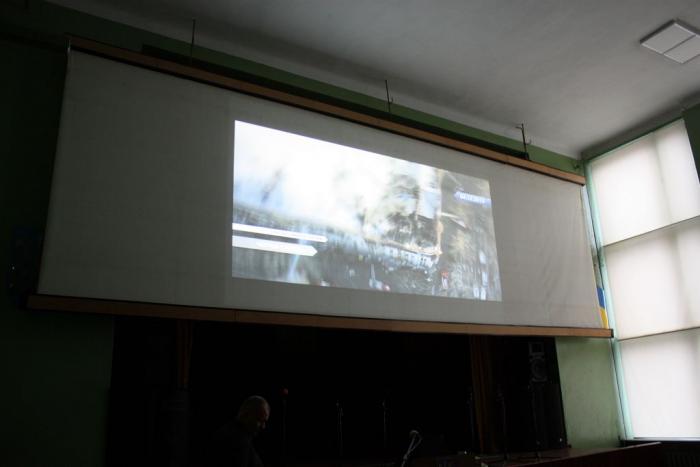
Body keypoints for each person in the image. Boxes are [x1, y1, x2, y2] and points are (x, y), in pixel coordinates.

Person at [205, 395, 270, 467]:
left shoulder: (230, 432)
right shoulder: (239, 441)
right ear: (246, 414)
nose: (263, 426)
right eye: (259, 420)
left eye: (264, 421)